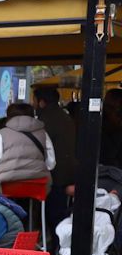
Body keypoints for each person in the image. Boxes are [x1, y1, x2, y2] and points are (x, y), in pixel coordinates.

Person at [0, 102, 55, 188]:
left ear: (9, 116)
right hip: (37, 185)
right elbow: (51, 163)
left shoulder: (2, 134)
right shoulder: (43, 133)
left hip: (7, 185)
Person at [36, 86, 77, 225]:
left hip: (55, 174)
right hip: (68, 170)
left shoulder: (45, 120)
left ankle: (55, 242)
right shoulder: (65, 116)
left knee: (54, 213)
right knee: (59, 211)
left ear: (41, 102)